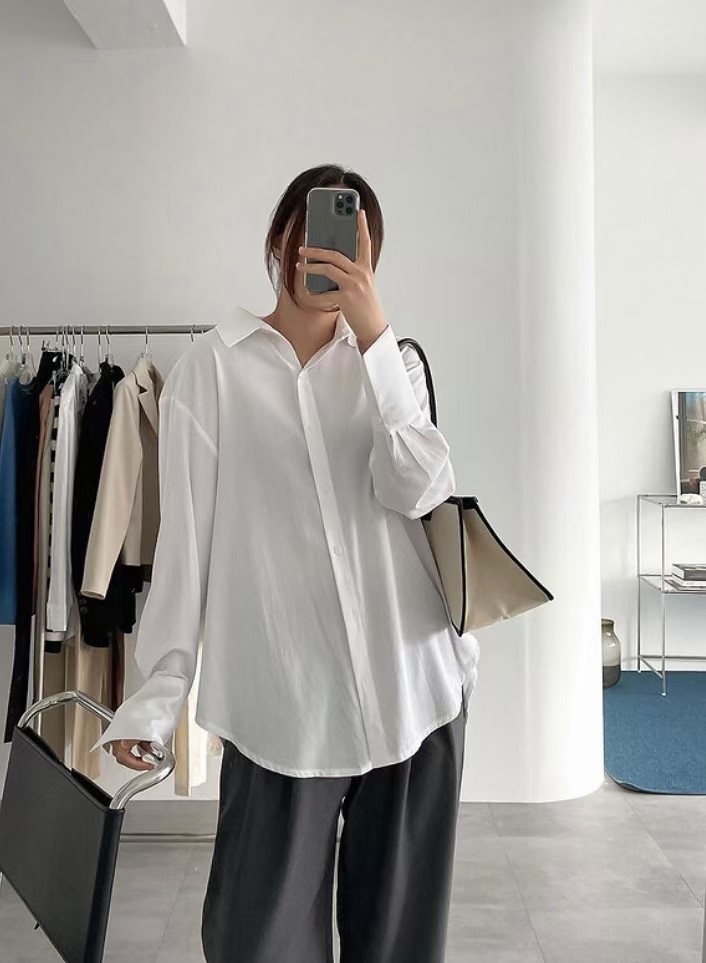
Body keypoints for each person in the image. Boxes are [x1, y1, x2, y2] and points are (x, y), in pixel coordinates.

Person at [95, 163, 480, 963]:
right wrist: (158, 698)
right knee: (255, 942)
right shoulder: (210, 370)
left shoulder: (395, 366)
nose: (330, 256)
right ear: (280, 240)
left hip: (412, 693)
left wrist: (374, 341)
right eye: (315, 234)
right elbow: (185, 548)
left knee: (400, 948)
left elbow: (419, 490)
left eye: (354, 246)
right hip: (283, 710)